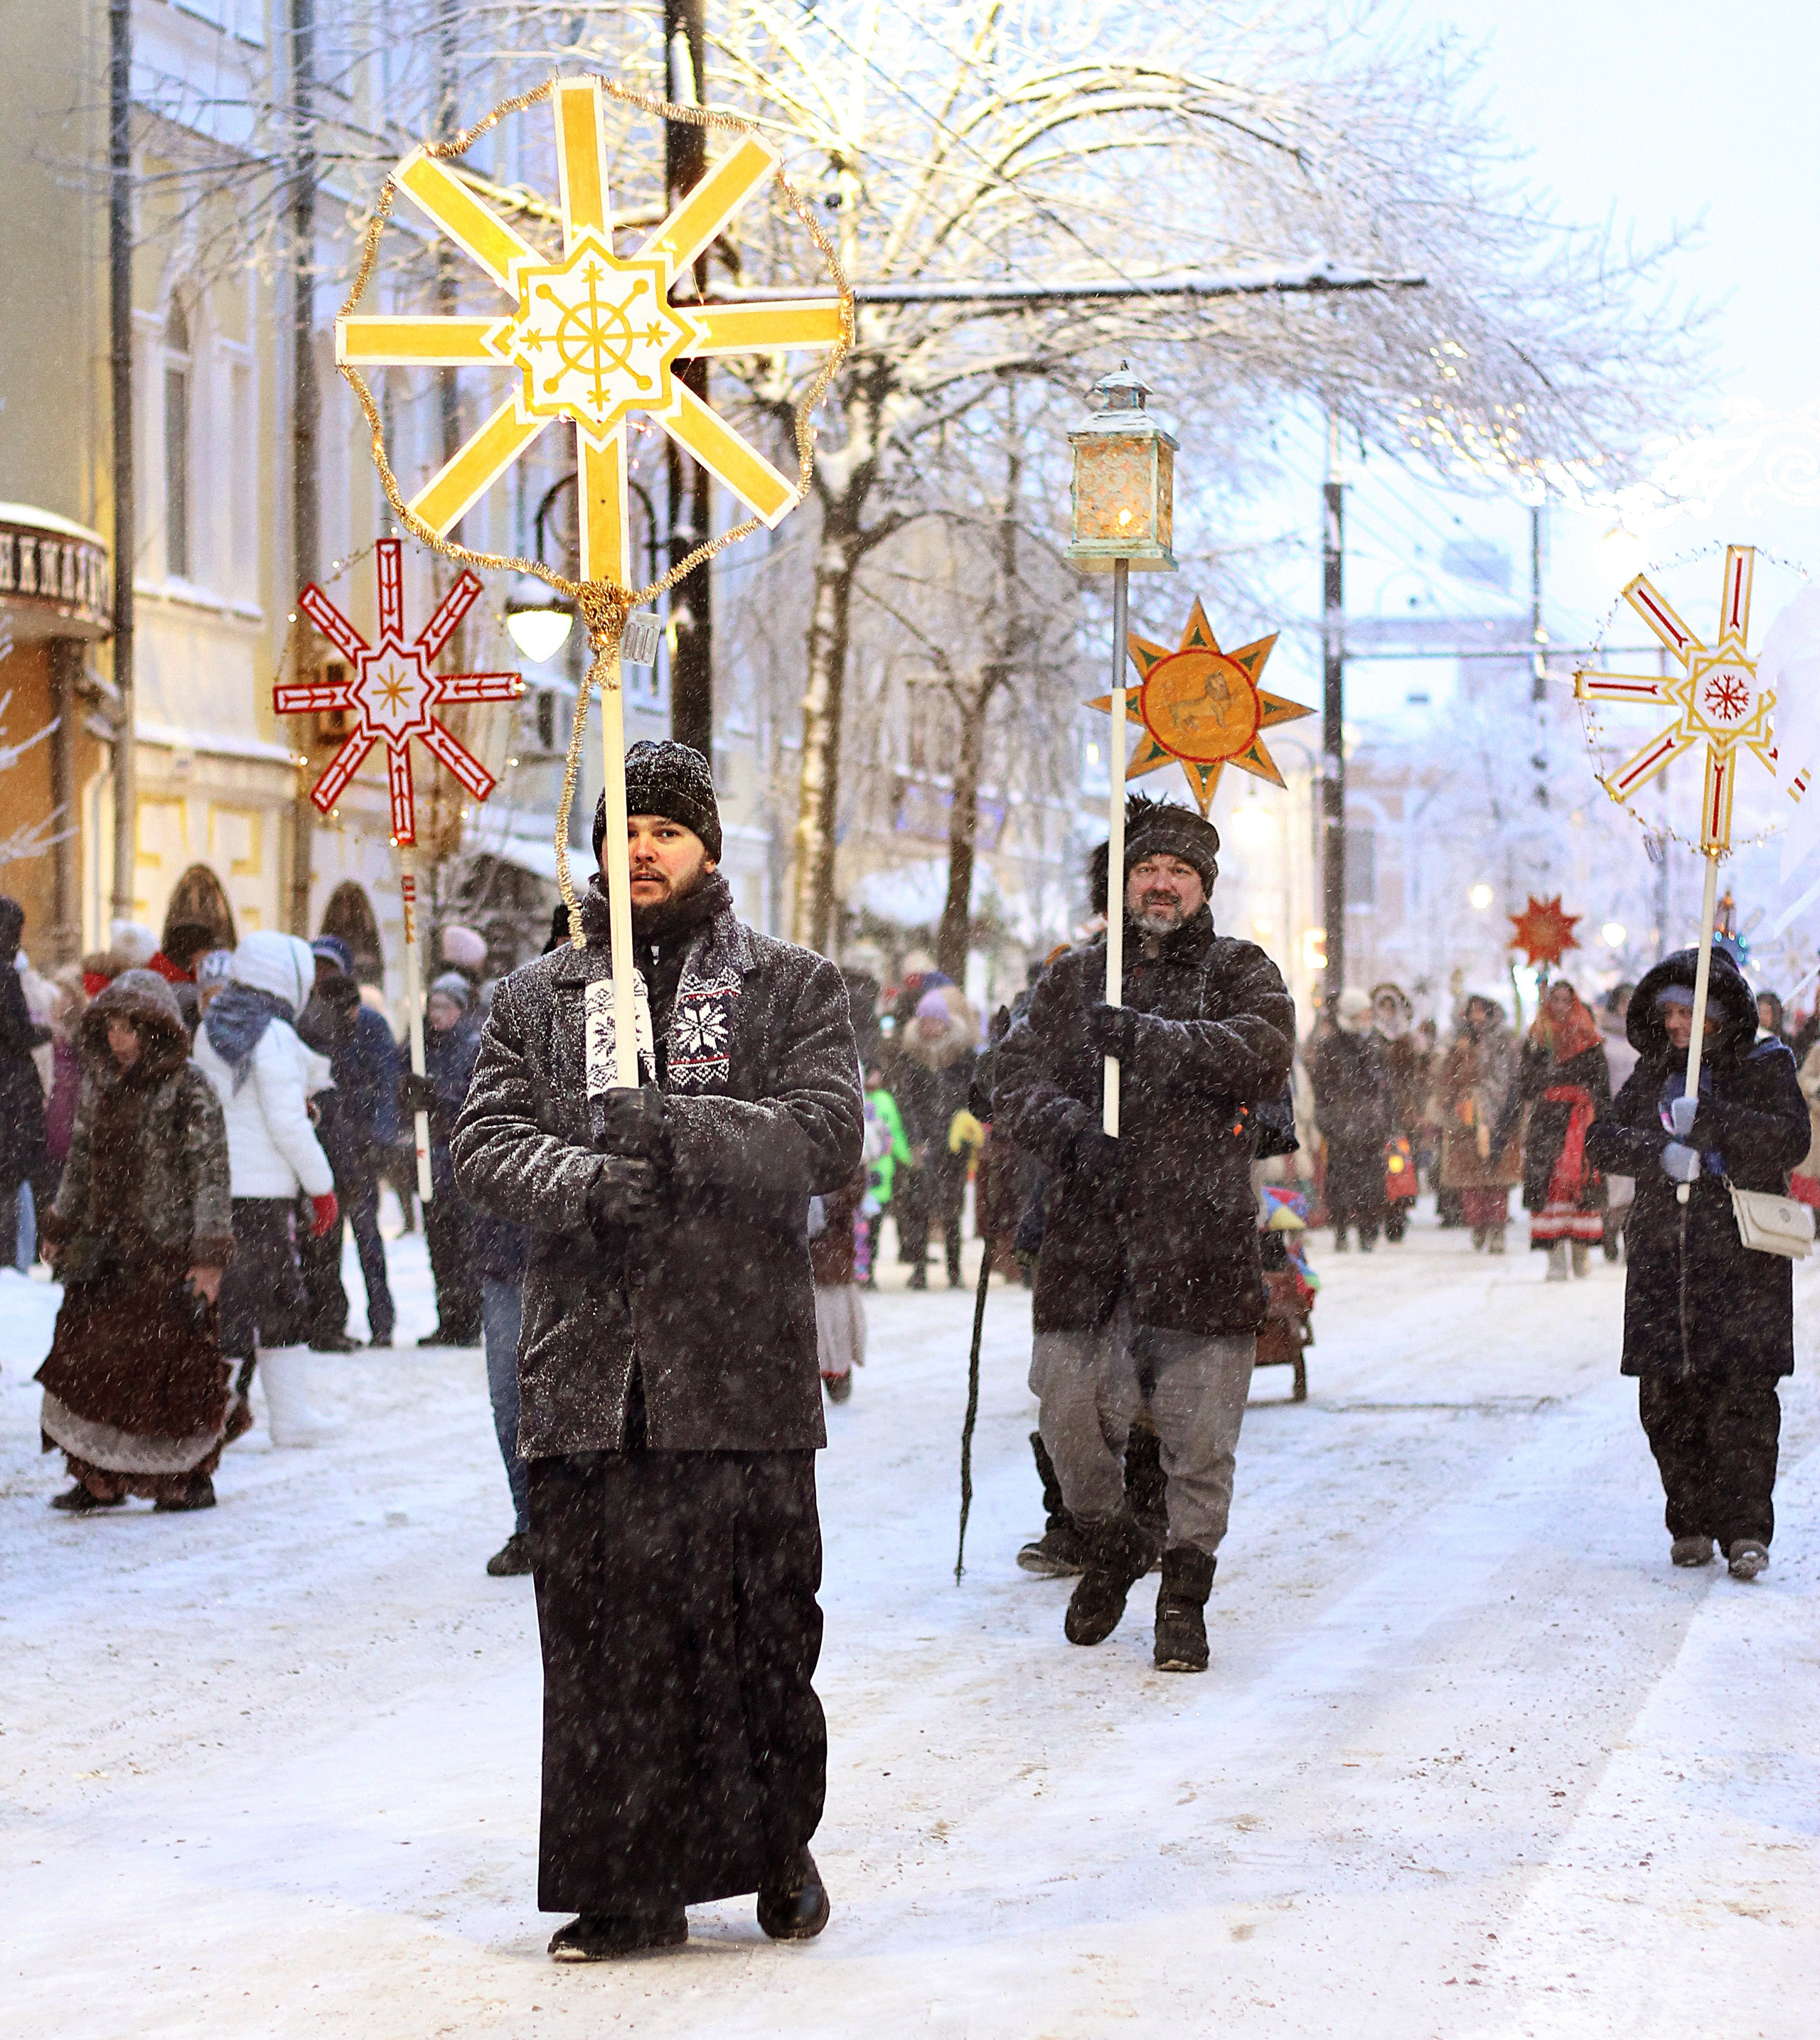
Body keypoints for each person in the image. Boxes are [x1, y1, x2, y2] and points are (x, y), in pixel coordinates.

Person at [452, 738, 863, 1960]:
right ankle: (624, 1884)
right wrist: (584, 1180)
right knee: (603, 1649)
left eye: (666, 830)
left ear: (707, 848)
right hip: (593, 1379)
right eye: (622, 829)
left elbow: (824, 1134)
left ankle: (773, 1847)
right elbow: (481, 1143)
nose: (641, 848)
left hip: (737, 1372)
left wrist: (679, 1132)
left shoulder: (790, 985)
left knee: (757, 1629)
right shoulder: (543, 994)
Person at [994, 794, 1295, 1674]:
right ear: (1124, 882)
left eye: (1178, 871)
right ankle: (1113, 1538)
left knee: (1200, 1436)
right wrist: (1068, 1129)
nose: (1161, 884)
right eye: (1147, 869)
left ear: (1202, 885)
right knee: (1067, 1409)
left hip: (1199, 1238)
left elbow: (1262, 1049)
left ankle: (1183, 1594)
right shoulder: (1075, 977)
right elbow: (1011, 1075)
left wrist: (1152, 1040)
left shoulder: (1241, 969)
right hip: (1090, 1240)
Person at [1586, 945, 1807, 1580]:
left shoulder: (1765, 1066)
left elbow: (1790, 1139)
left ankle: (1745, 1531)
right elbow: (1605, 1139)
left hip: (1741, 1262)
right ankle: (1689, 1519)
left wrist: (1713, 1121)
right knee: (1665, 1399)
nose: (1675, 1025)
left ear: (1715, 1015)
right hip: (1664, 1261)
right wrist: (1658, 1150)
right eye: (1668, 1014)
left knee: (1741, 1397)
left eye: (1686, 1013)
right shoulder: (1656, 1070)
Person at [35, 971, 234, 1511]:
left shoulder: (190, 1087)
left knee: (169, 1371)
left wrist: (209, 1258)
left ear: (158, 1030)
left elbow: (210, 1174)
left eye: (132, 1029)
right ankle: (96, 1475)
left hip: (166, 1254)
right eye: (113, 1028)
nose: (120, 1040)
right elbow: (79, 1161)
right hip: (103, 1253)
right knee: (90, 1362)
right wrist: (59, 1224)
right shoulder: (101, 1083)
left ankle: (184, 1478)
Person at [193, 932, 341, 1446]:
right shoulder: (272, 1034)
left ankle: (210, 1411)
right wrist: (322, 1187)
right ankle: (273, 1417)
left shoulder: (212, 1026)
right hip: (263, 1193)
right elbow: (287, 1124)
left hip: (218, 1190)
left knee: (229, 1304)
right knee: (279, 1300)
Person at [295, 936, 398, 1351]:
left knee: (369, 1236)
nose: (323, 976)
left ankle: (382, 1321)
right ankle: (328, 1320)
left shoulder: (368, 1023)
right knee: (325, 1237)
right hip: (325, 1143)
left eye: (329, 968)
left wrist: (381, 1134)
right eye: (316, 968)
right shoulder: (308, 1023)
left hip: (359, 1144)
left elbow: (387, 1080)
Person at [402, 972, 484, 1347]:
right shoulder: (419, 1044)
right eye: (432, 1006)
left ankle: (467, 1319)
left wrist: (438, 1095)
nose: (436, 1014)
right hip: (430, 1157)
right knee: (440, 1244)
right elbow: (399, 1087)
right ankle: (447, 1316)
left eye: (444, 1007)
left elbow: (472, 1098)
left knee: (464, 1244)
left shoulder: (472, 1044)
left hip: (461, 1156)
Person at [1514, 979, 1611, 1279]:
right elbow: (1526, 1084)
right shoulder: (1536, 1039)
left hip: (1581, 1120)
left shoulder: (1589, 1038)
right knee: (1551, 1184)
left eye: (1566, 999)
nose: (1560, 1005)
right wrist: (1548, 1081)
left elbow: (1601, 1083)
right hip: (1547, 1122)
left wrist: (1601, 1117)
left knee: (1579, 1181)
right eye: (1554, 999)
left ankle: (1581, 1250)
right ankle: (1555, 1255)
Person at [892, 984, 978, 1289]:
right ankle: (919, 1268)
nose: (930, 1027)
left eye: (934, 1020)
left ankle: (954, 1270)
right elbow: (905, 1100)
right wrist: (915, 1138)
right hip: (922, 1142)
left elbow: (973, 1095)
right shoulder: (910, 1056)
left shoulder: (963, 1055)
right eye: (924, 1021)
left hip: (955, 1141)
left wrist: (967, 1121)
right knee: (918, 1205)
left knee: (952, 1206)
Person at [1435, 993, 1522, 1250]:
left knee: (1497, 1178)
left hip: (1502, 1115)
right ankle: (1478, 1224)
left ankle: (1497, 1227)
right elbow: (1448, 1078)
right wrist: (1451, 1103)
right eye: (1472, 1012)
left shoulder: (1505, 1042)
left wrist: (1501, 1106)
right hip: (1465, 1117)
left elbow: (1513, 1077)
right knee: (1471, 1179)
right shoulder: (1458, 1043)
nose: (1477, 1017)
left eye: (1481, 1011)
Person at [1310, 988, 1392, 1251]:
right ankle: (1341, 1230)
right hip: (1341, 1127)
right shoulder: (1329, 1047)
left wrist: (1386, 1120)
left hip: (1370, 1127)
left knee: (1371, 1184)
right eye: (1362, 1014)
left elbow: (1387, 1088)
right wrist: (1329, 1123)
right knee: (1340, 1183)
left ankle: (1369, 1231)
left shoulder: (1376, 1045)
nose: (1367, 1018)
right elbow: (1321, 1090)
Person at [1, 898, 53, 1269]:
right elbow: (16, 1033)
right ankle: (11, 1261)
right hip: (11, 1098)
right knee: (13, 1182)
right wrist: (52, 1031)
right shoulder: (5, 975)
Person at [810, 1169, 868, 1402]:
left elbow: (852, 1190)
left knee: (834, 1324)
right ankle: (831, 1374)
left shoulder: (842, 1150)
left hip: (830, 1258)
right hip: (813, 1259)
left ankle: (837, 1375)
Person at [1599, 983, 1641, 1257]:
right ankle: (1610, 1226)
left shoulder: (1644, 1035)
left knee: (1635, 1178)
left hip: (1639, 1116)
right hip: (1611, 1112)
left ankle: (1630, 1234)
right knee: (1614, 1178)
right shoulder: (1603, 1037)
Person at [859, 1066, 908, 1286]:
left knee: (874, 1225)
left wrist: (908, 1158)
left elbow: (895, 1131)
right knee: (860, 1225)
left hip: (881, 1174)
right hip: (860, 1173)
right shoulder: (856, 1097)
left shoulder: (885, 1100)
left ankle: (869, 1270)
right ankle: (860, 1269)